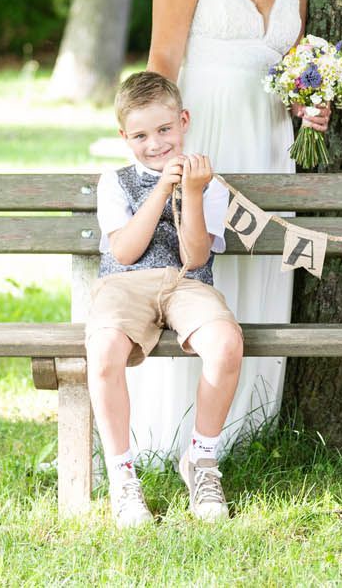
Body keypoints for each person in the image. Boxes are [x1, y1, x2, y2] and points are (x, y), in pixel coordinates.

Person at [141, 0, 327, 460]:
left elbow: (290, 76)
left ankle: (244, 433)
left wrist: (310, 109)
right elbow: (162, 64)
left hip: (268, 144)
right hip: (205, 145)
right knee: (196, 273)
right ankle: (170, 435)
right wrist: (166, 152)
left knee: (258, 275)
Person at [86, 71, 243, 526]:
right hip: (124, 285)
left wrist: (191, 192)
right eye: (140, 135)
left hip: (186, 283)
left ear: (184, 121)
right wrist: (160, 189)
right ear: (124, 137)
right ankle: (122, 476)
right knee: (104, 350)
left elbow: (195, 257)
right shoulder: (113, 183)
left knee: (226, 343)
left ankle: (201, 459)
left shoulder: (209, 183)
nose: (155, 144)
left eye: (164, 130)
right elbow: (125, 250)